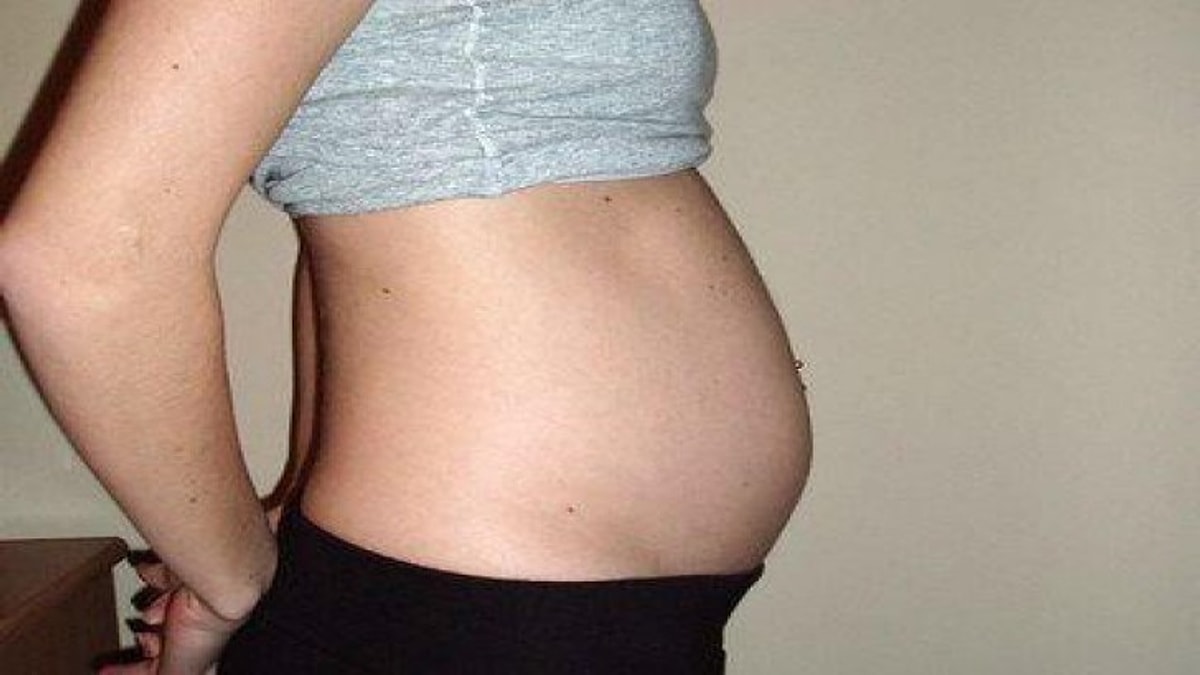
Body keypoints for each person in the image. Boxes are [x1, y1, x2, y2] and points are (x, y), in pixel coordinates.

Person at [0, 0, 812, 672]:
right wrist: (232, 577)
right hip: (478, 602)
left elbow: (354, 199)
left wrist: (296, 507)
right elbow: (80, 261)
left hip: (571, 601)